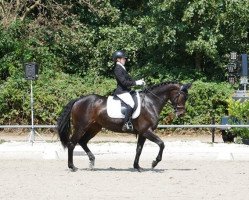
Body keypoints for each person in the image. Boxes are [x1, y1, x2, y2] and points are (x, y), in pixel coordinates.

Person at [112, 50, 145, 131]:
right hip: (121, 91)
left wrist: (139, 82)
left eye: (124, 58)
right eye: (123, 58)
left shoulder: (122, 68)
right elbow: (124, 82)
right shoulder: (117, 69)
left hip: (126, 91)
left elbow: (130, 80)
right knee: (131, 103)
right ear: (118, 59)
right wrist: (136, 82)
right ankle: (126, 123)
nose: (125, 60)